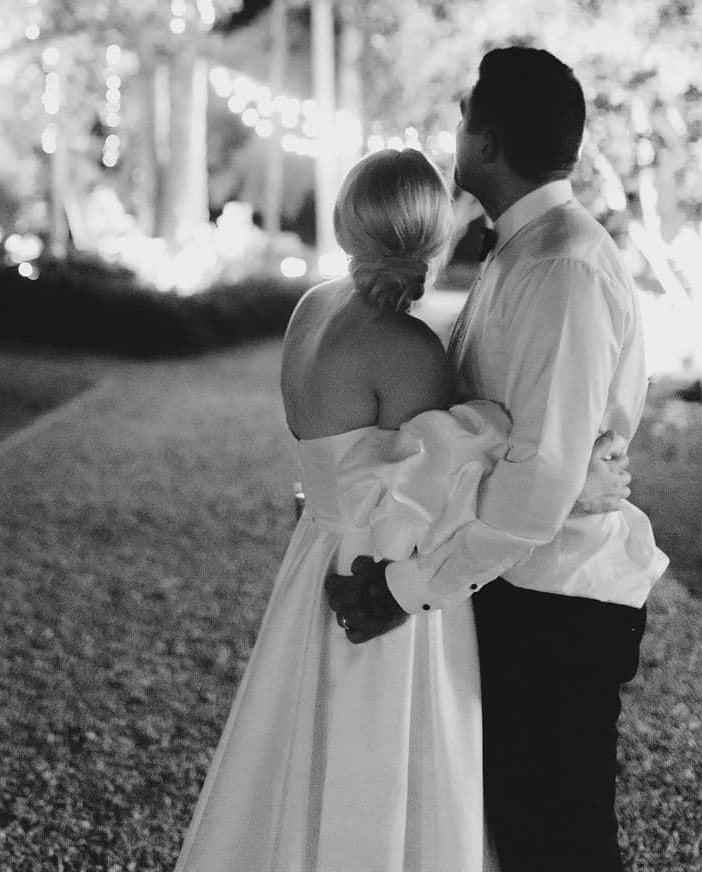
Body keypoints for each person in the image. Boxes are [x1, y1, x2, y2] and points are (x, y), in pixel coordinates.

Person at [173, 141, 632, 872]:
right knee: (382, 762)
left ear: (348, 223)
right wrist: (579, 484)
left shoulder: (311, 309)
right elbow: (457, 495)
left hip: (317, 558)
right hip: (381, 577)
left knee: (304, 751)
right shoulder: (407, 347)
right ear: (434, 235)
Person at [326, 46, 668, 872]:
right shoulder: (525, 248)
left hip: (560, 601)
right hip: (521, 588)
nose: (455, 132)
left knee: (560, 842)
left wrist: (406, 589)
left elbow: (537, 488)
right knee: (519, 832)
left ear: (485, 140)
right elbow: (508, 441)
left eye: (464, 117)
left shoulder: (561, 268)